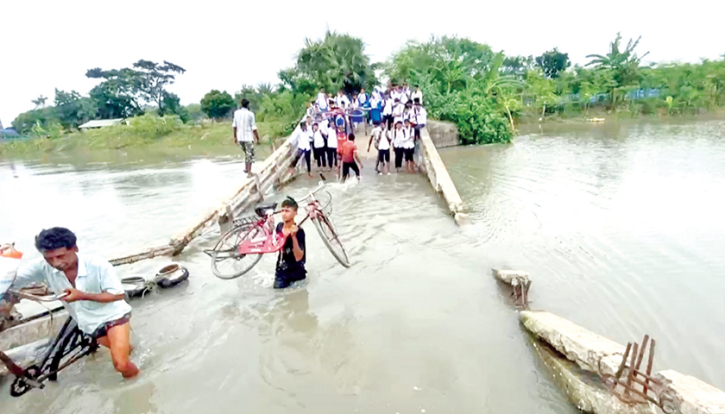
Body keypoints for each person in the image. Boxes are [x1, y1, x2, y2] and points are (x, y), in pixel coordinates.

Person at [10, 227, 139, 378]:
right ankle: (139, 359)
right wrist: (7, 259)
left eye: (60, 256)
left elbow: (118, 295)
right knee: (125, 351)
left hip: (113, 316)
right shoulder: (42, 266)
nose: (56, 263)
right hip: (88, 322)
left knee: (121, 364)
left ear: (75, 249)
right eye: (49, 258)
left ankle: (140, 382)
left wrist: (82, 295)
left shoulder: (98, 265)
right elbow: (11, 279)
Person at [274, 197, 306, 289]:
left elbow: (299, 257)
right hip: (281, 270)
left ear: (295, 213)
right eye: (282, 210)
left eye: (287, 211)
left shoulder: (299, 231)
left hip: (296, 271)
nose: (284, 214)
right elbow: (276, 245)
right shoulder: (279, 227)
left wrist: (293, 237)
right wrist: (269, 225)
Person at [232, 98, 260, 176]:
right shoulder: (250, 114)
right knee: (250, 153)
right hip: (248, 137)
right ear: (248, 105)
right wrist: (257, 138)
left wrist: (235, 137)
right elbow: (254, 128)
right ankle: (249, 171)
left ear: (241, 104)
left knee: (246, 153)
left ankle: (246, 169)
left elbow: (234, 126)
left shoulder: (236, 113)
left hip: (240, 137)